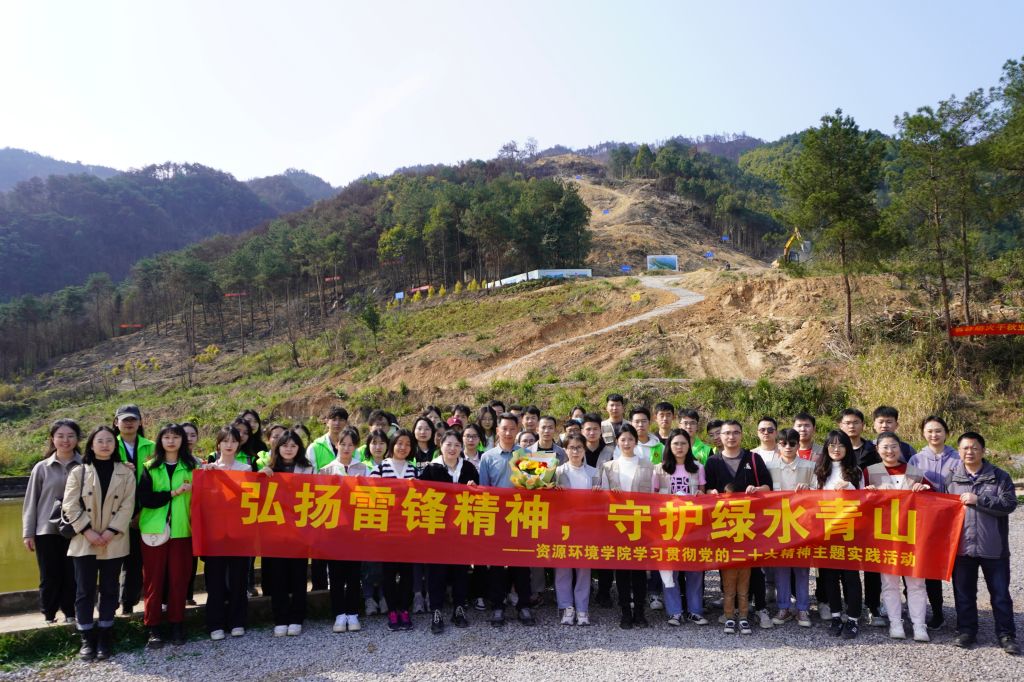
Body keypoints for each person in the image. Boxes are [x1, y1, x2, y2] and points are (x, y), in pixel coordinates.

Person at [62, 425, 135, 661]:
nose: (105, 445)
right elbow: (69, 505)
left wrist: (111, 531)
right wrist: (87, 531)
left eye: (109, 441)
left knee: (110, 588)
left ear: (115, 445)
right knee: (84, 590)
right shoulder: (79, 472)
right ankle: (86, 637)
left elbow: (128, 505)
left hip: (115, 540)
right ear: (91, 445)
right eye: (100, 441)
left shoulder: (126, 472)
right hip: (84, 540)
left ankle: (105, 633)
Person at [946, 432, 1019, 655]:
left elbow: (1009, 504)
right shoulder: (952, 478)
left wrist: (979, 500)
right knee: (964, 594)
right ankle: (967, 631)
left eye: (974, 448)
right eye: (965, 448)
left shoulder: (999, 476)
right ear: (959, 452)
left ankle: (1006, 635)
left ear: (983, 451)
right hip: (962, 548)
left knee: (1000, 594)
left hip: (993, 548)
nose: (970, 452)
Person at [705, 420, 772, 635]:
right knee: (726, 567)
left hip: (751, 524)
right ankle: (731, 611)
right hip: (723, 523)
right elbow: (706, 490)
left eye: (735, 433)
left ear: (742, 435)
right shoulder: (713, 461)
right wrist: (711, 493)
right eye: (727, 433)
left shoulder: (753, 458)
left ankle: (759, 608)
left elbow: (768, 486)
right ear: (720, 437)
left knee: (755, 567)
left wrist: (757, 489)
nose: (731, 437)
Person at [864, 431, 932, 642]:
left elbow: (934, 498)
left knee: (916, 583)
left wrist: (924, 488)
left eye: (893, 446)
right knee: (889, 583)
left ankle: (919, 625)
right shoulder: (870, 472)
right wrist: (869, 492)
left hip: (912, 536)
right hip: (884, 536)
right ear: (877, 449)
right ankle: (895, 623)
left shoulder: (914, 472)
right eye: (885, 447)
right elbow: (857, 500)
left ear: (900, 448)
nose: (890, 451)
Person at [138, 424, 196, 649]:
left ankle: (177, 624)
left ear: (182, 441)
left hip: (183, 530)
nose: (171, 441)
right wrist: (173, 493)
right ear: (160, 440)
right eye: (167, 437)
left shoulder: (193, 467)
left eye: (176, 437)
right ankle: (153, 627)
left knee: (179, 580)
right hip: (154, 531)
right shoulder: (150, 467)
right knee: (153, 580)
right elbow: (146, 499)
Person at [478, 413, 536, 627]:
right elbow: (484, 489)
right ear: (498, 431)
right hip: (496, 518)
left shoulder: (527, 455)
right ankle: (497, 606)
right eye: (504, 429)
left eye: (512, 429)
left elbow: (533, 487)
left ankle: (524, 605)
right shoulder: (488, 457)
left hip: (521, 517)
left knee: (521, 564)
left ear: (517, 430)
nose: (509, 433)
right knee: (496, 565)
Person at [22, 418, 82, 625]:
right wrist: (28, 533)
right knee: (49, 574)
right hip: (46, 530)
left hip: (77, 529)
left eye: (70, 436)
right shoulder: (41, 468)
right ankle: (48, 615)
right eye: (60, 436)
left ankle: (70, 613)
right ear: (52, 439)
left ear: (77, 439)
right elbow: (31, 501)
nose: (65, 440)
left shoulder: (85, 465)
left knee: (72, 574)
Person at [419, 430, 479, 634]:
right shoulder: (431, 469)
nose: (452, 449)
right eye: (448, 444)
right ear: (441, 446)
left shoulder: (469, 468)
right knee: (436, 571)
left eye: (456, 445)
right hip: (437, 530)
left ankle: (459, 607)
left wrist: (474, 489)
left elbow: (480, 498)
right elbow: (420, 496)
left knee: (461, 570)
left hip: (462, 528)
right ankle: (436, 610)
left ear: (461, 447)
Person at [258, 429, 315, 636]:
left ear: (299, 448)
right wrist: (260, 478)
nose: (289, 449)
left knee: (299, 575)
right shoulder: (269, 469)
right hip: (275, 532)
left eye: (293, 445)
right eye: (284, 445)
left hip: (299, 531)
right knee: (277, 576)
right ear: (277, 447)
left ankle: (297, 618)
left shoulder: (308, 469)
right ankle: (280, 618)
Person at [600, 424, 655, 629]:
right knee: (622, 571)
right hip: (618, 525)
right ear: (617, 442)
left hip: (641, 524)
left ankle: (639, 611)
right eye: (622, 439)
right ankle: (625, 612)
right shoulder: (609, 467)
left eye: (630, 439)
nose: (626, 443)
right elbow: (603, 497)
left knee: (639, 571)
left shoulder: (648, 465)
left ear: (636, 441)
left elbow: (655, 496)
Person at [200, 426, 252, 641]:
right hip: (215, 533)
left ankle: (237, 621)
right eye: (225, 441)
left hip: (239, 532)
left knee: (239, 579)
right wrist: (206, 474)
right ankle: (215, 623)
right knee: (215, 580)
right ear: (218, 444)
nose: (229, 445)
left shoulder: (246, 469)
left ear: (239, 444)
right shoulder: (209, 469)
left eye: (233, 441)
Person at [908, 415, 960, 630]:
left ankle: (964, 616)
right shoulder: (915, 460)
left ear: (946, 432)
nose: (934, 435)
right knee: (931, 569)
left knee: (958, 569)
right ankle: (938, 612)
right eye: (929, 431)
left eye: (938, 430)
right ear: (923, 433)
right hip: (927, 522)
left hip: (954, 520)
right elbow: (908, 489)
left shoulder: (958, 458)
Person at [652, 428, 707, 627]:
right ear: (669, 446)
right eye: (675, 443)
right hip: (667, 527)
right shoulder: (659, 469)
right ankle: (674, 612)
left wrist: (701, 496)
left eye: (683, 443)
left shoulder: (698, 468)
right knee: (670, 571)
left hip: (693, 527)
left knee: (694, 570)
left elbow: (703, 496)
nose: (680, 447)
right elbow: (652, 499)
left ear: (689, 446)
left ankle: (695, 611)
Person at [815, 430, 864, 640]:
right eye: (832, 445)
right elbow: (812, 499)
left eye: (841, 445)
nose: (836, 449)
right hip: (826, 531)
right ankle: (836, 615)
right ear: (826, 448)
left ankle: (853, 618)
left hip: (850, 531)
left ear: (847, 448)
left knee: (851, 577)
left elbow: (865, 500)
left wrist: (850, 487)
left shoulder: (856, 471)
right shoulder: (819, 471)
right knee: (829, 576)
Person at [318, 426, 367, 633]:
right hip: (334, 530)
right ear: (337, 445)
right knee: (336, 574)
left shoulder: (363, 469)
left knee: (354, 574)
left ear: (355, 447)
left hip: (356, 529)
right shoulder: (326, 470)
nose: (346, 448)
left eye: (351, 445)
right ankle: (339, 613)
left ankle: (353, 612)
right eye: (343, 444)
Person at [766, 427, 815, 628]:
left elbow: (820, 493)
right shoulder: (768, 466)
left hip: (802, 524)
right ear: (778, 445)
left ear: (798, 444)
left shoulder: (810, 466)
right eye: (783, 443)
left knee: (802, 569)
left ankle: (803, 608)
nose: (788, 447)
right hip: (777, 524)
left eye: (792, 443)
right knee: (781, 568)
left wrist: (809, 490)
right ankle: (783, 607)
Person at [372, 428, 418, 631]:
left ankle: (404, 609)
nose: (403, 447)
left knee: (407, 574)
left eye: (407, 444)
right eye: (400, 443)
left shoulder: (413, 470)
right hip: (387, 531)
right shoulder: (381, 468)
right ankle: (392, 610)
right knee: (388, 573)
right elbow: (370, 493)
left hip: (407, 531)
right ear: (392, 445)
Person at [113, 404, 154, 615]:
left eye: (133, 419)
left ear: (140, 422)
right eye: (125, 419)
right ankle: (112, 605)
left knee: (136, 560)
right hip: (114, 512)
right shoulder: (108, 445)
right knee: (113, 561)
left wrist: (142, 511)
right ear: (116, 422)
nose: (129, 423)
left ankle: (129, 603)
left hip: (144, 511)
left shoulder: (152, 447)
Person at [553, 434, 597, 626]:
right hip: (563, 527)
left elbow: (602, 503)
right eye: (571, 447)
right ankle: (566, 607)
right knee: (563, 568)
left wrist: (598, 493)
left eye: (579, 447)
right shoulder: (556, 472)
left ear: (584, 449)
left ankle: (582, 608)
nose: (575, 451)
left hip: (586, 527)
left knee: (583, 568)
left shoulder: (594, 472)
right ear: (565, 450)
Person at [580, 412, 615, 606]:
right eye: (588, 429)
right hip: (580, 509)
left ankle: (604, 591)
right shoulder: (575, 449)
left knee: (605, 550)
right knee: (582, 548)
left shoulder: (611, 451)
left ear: (601, 431)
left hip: (605, 508)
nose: (592, 432)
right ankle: (584, 590)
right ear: (582, 431)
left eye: (595, 429)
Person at [360, 429, 390, 617]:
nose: (378, 447)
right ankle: (369, 598)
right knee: (368, 561)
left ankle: (384, 596)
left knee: (386, 560)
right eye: (374, 443)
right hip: (367, 519)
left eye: (381, 443)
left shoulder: (391, 464)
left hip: (389, 520)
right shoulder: (362, 467)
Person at [306, 406, 350, 472]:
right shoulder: (314, 447)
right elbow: (309, 474)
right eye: (334, 419)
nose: (337, 423)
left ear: (346, 423)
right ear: (327, 422)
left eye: (341, 420)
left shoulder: (352, 448)